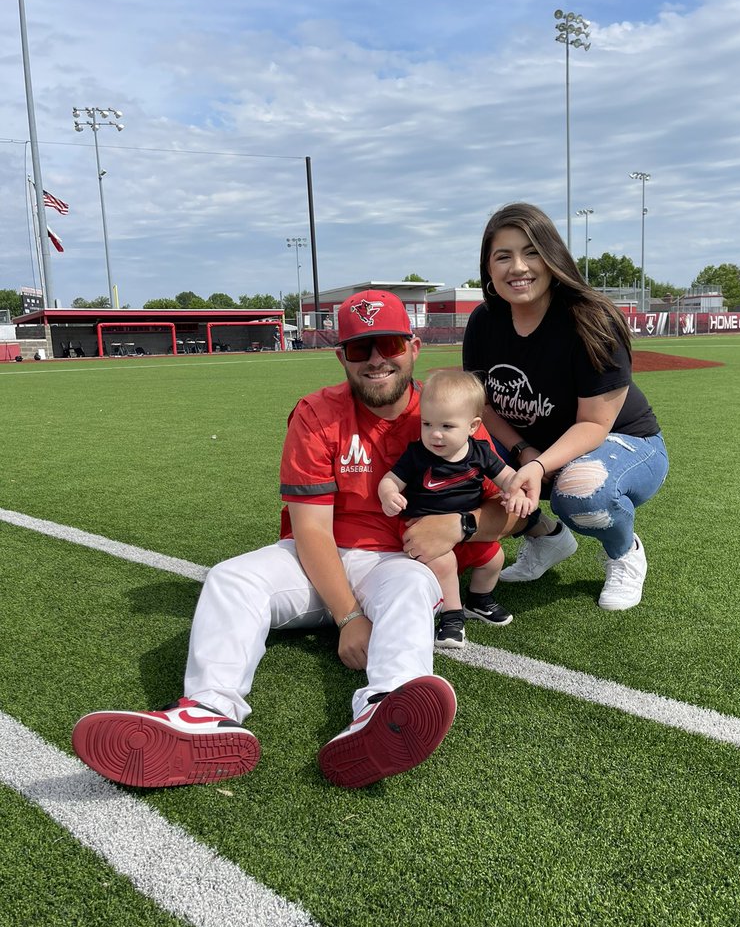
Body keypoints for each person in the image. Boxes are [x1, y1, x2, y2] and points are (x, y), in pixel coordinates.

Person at [72, 292, 514, 791]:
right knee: (231, 577)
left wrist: (462, 526)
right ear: (340, 355)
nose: (374, 360)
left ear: (413, 347)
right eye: (357, 348)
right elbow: (310, 530)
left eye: (387, 343)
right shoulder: (317, 413)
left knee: (414, 587)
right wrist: (349, 616)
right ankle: (205, 713)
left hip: (395, 561)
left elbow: (510, 510)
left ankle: (383, 713)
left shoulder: (444, 411)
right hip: (315, 560)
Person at [463, 202, 668, 611]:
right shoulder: (485, 322)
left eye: (531, 251)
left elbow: (594, 423)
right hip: (534, 446)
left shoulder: (590, 319)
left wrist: (537, 467)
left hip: (624, 442)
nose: (518, 267)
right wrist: (523, 451)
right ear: (488, 268)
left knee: (580, 491)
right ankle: (547, 537)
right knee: (456, 456)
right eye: (503, 256)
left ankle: (624, 552)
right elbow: (482, 406)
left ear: (552, 256)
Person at [378, 367, 535, 648]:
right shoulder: (417, 455)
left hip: (464, 531)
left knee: (494, 558)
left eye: (447, 427)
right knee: (445, 564)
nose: (435, 435)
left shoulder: (480, 452)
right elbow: (391, 480)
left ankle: (479, 600)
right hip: (423, 530)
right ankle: (452, 617)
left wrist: (518, 491)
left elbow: (508, 476)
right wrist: (388, 493)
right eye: (427, 424)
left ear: (473, 426)